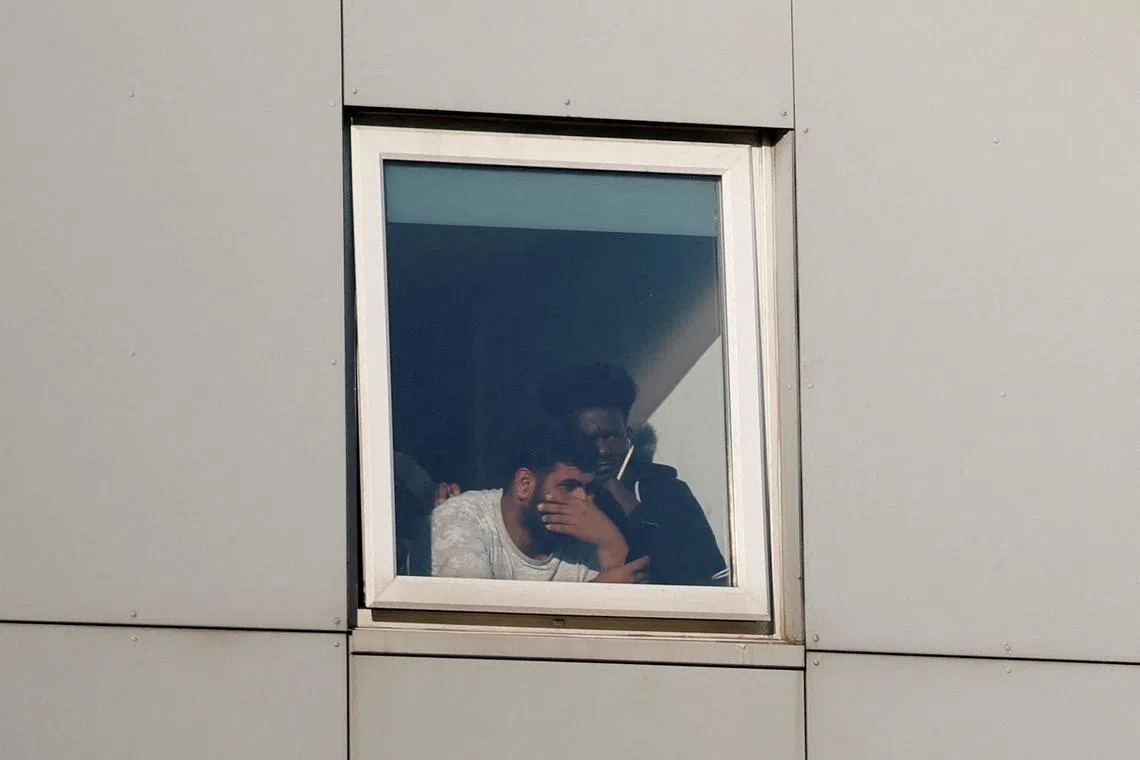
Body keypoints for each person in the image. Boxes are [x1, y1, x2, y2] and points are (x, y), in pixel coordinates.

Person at [540, 363, 729, 586]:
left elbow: (706, 576)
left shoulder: (666, 492)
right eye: (588, 439)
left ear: (628, 435)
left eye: (611, 436)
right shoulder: (560, 490)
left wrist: (635, 512)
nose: (603, 450)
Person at [430, 423, 650, 583]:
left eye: (588, 488)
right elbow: (473, 618)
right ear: (524, 484)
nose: (583, 499)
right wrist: (595, 594)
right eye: (568, 486)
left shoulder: (587, 535)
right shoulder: (462, 516)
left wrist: (611, 543)